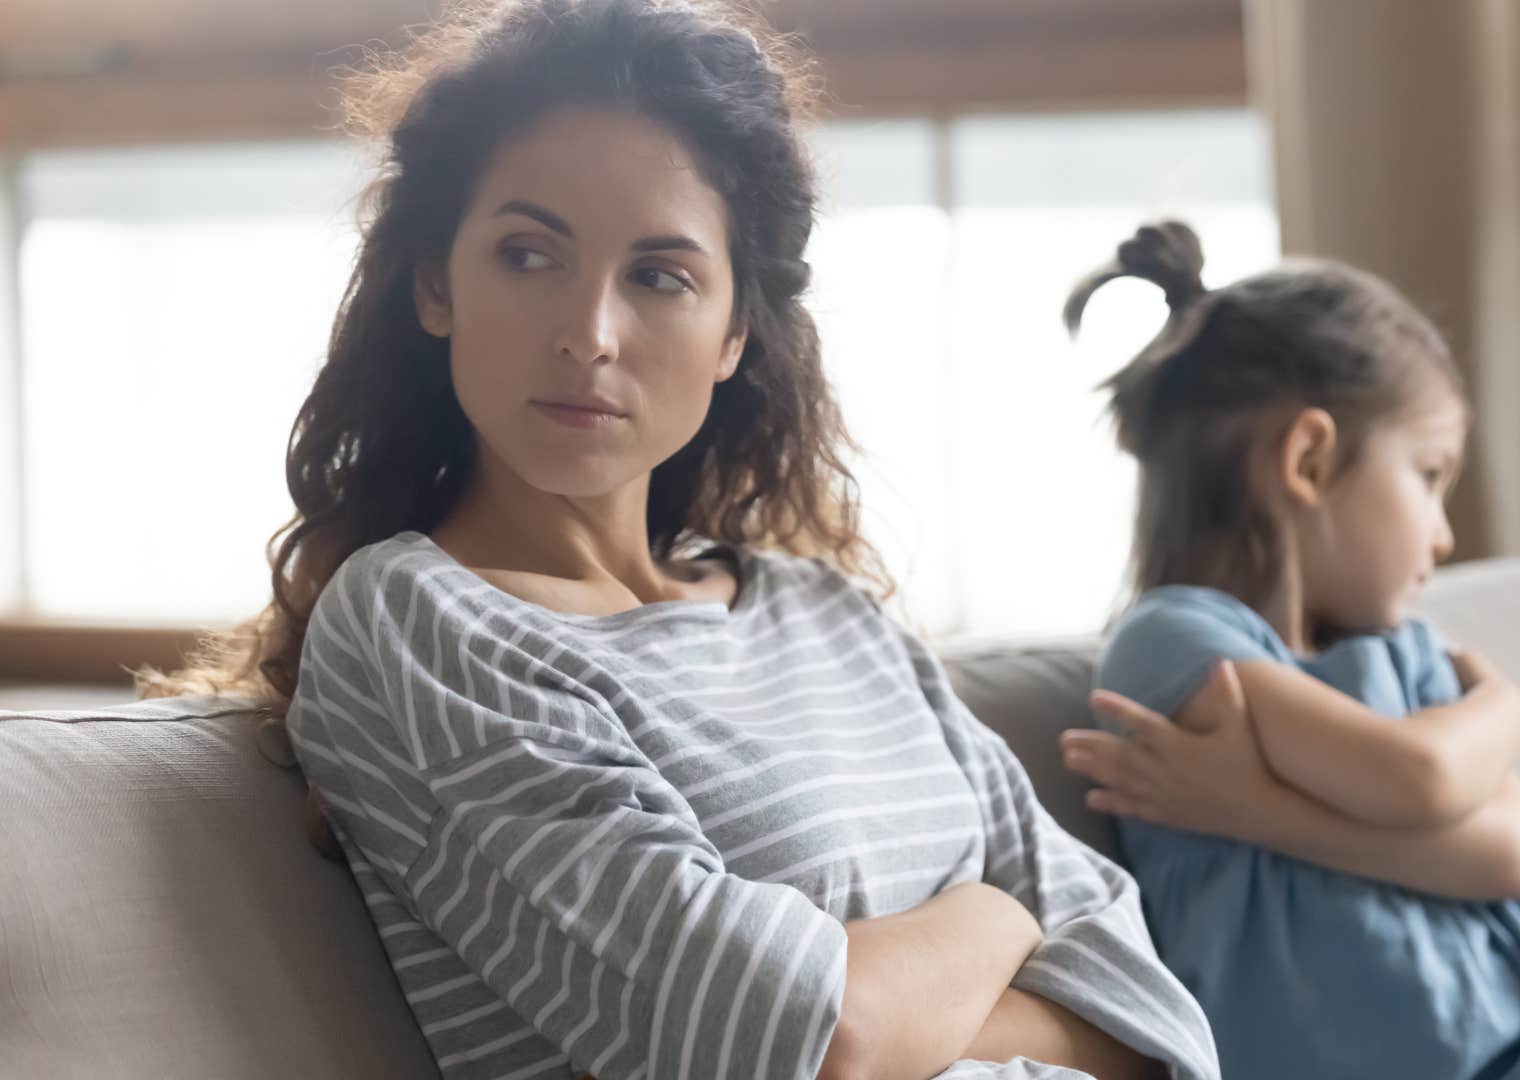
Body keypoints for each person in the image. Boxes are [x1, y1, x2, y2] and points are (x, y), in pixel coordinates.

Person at [143, 5, 1219, 1078]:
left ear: (734, 334)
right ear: (437, 285)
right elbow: (788, 1037)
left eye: (660, 277)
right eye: (528, 255)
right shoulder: (416, 623)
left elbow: (1155, 1016)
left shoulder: (829, 613)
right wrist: (994, 919)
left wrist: (891, 1000)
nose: (590, 334)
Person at [1056, 222, 1520, 1079]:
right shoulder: (1175, 644)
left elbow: (1509, 855)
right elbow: (1423, 779)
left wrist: (1255, 808)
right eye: (1430, 475)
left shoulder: (1403, 653)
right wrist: (1498, 710)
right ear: (1308, 459)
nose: (1444, 536)